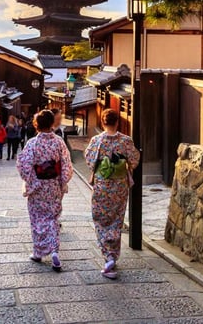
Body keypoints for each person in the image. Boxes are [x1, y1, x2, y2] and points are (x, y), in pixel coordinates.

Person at [84, 109, 140, 279]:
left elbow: (89, 159)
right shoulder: (125, 141)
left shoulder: (97, 140)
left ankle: (107, 255)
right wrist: (123, 167)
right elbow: (135, 159)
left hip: (102, 185)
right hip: (119, 186)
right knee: (116, 219)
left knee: (100, 218)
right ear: (117, 122)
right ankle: (113, 255)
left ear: (103, 122)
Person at [17, 110, 73, 272]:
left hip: (37, 186)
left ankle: (39, 252)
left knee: (37, 219)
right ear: (51, 124)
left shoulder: (32, 144)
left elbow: (24, 166)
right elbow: (66, 165)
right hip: (54, 186)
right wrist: (63, 181)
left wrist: (30, 180)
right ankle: (54, 250)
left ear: (37, 125)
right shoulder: (59, 142)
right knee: (53, 218)